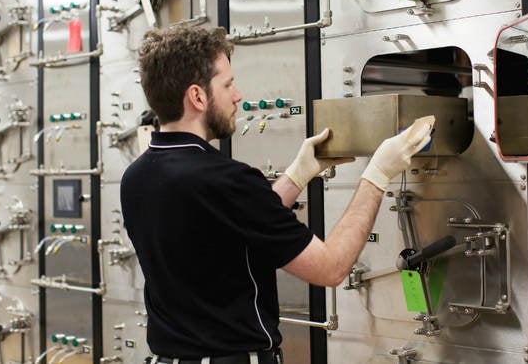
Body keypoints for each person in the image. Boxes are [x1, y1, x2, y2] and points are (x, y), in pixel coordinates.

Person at [120, 25, 434, 364]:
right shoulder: (225, 179)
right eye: (227, 85)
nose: (237, 95)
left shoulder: (137, 177)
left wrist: (298, 175)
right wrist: (377, 173)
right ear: (198, 97)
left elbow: (227, 225)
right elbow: (330, 268)